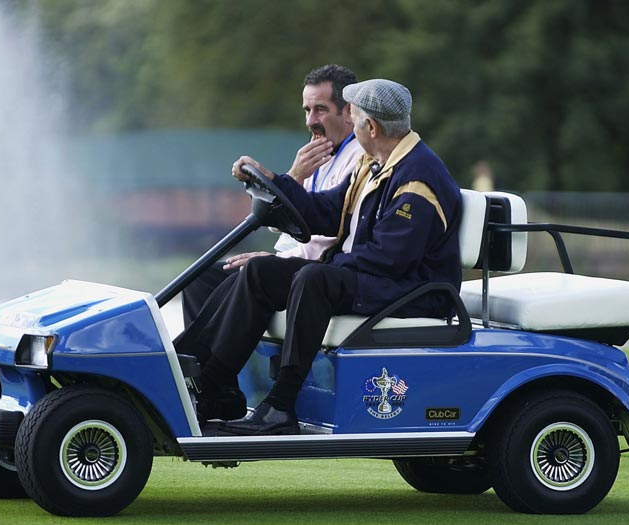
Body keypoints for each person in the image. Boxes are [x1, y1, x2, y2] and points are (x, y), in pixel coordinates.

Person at [190, 79, 462, 435]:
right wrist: (277, 180)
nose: (350, 119)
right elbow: (327, 211)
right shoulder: (374, 162)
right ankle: (213, 386)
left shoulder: (418, 178)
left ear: (371, 127)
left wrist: (319, 265)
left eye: (353, 114)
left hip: (415, 291)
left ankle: (281, 405)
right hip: (380, 276)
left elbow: (391, 258)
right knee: (261, 270)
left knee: (314, 279)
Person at [180, 65, 363, 331]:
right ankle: (199, 366)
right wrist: (296, 175)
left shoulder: (359, 158)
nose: (310, 121)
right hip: (292, 262)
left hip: (317, 270)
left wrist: (276, 260)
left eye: (320, 110)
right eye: (307, 110)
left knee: (245, 278)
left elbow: (332, 235)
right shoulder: (318, 152)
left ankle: (213, 369)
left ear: (348, 112)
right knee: (199, 279)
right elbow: (281, 222)